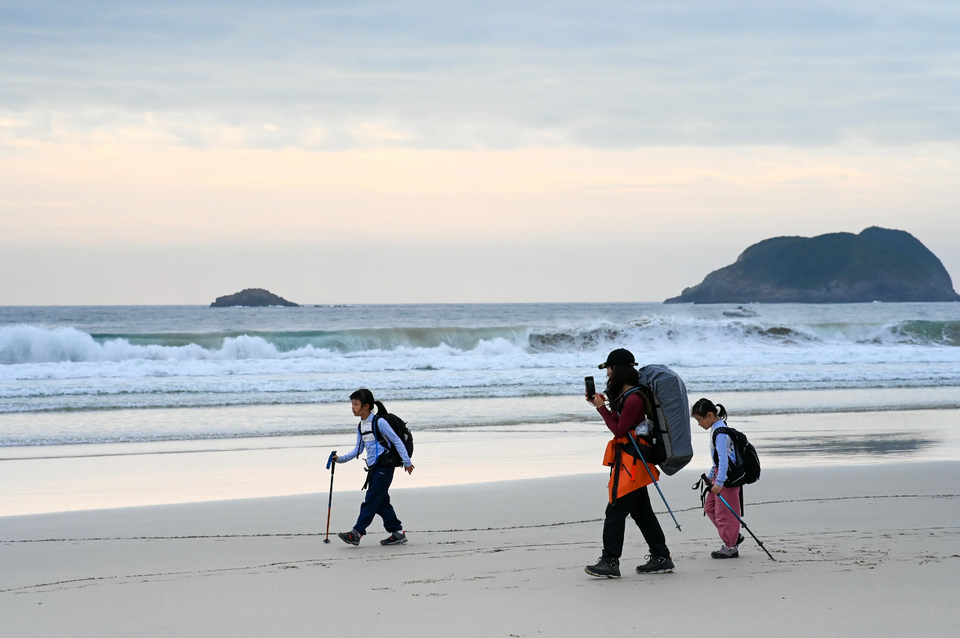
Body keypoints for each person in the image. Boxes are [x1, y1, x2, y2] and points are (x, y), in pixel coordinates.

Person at [584, 348, 675, 578]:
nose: (608, 373)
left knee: (615, 511)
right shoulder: (628, 396)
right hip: (634, 460)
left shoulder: (633, 398)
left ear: (618, 369)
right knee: (642, 513)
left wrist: (601, 408)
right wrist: (603, 405)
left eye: (609, 368)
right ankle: (661, 557)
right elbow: (621, 423)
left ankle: (610, 561)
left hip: (632, 463)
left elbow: (619, 429)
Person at [331, 389, 415, 546]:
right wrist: (340, 459)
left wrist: (407, 462)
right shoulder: (361, 426)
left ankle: (356, 533)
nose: (353, 407)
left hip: (384, 467)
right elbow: (358, 450)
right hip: (373, 469)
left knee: (370, 501)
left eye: (356, 404)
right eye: (352, 404)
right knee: (381, 503)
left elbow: (396, 441)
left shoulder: (379, 422)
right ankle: (398, 532)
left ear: (366, 406)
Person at [691, 397, 744, 559]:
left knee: (724, 513)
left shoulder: (720, 433)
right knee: (710, 508)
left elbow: (724, 459)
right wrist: (711, 476)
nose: (699, 424)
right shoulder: (717, 430)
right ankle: (733, 536)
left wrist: (719, 482)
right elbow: (718, 460)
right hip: (719, 475)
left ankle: (730, 545)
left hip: (727, 479)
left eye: (699, 420)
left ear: (709, 415)